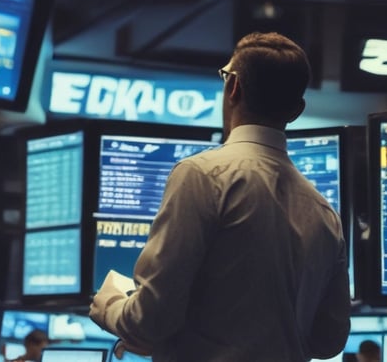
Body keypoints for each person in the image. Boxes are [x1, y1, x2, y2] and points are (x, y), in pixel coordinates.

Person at [89, 31, 351, 361]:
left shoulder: (202, 175)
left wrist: (108, 305)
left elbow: (150, 320)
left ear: (233, 87)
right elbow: (330, 341)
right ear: (297, 110)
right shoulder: (325, 213)